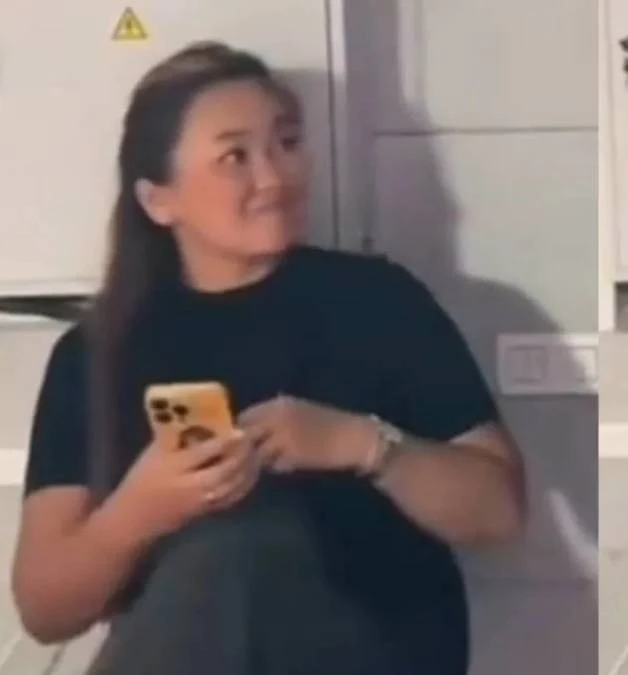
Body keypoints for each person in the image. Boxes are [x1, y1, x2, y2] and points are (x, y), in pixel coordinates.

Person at [10, 41, 527, 675]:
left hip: (374, 648)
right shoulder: (94, 352)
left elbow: (500, 512)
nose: (276, 177)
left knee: (251, 546)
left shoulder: (377, 302)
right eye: (236, 156)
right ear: (158, 200)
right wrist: (141, 508)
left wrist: (362, 444)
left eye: (287, 143)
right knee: (228, 553)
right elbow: (45, 611)